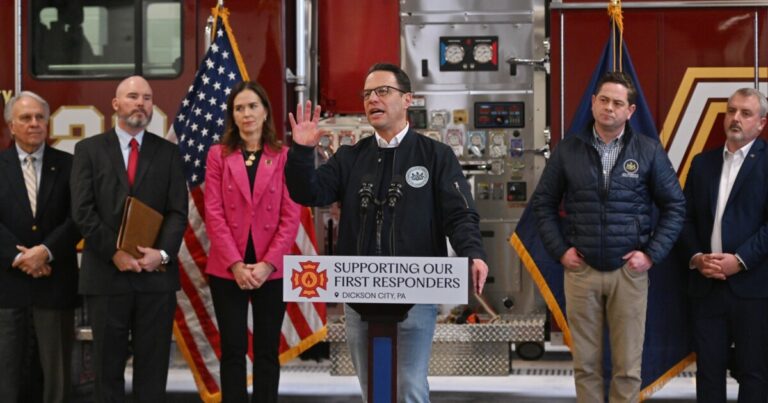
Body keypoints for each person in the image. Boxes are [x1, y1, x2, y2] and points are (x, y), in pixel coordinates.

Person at [286, 62, 489, 403]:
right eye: (367, 94)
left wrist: (474, 253)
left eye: (383, 91)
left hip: (416, 293)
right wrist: (303, 152)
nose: (372, 99)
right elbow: (309, 193)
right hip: (358, 293)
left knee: (408, 386)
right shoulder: (350, 157)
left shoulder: (435, 156)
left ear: (408, 99)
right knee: (375, 388)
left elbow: (460, 215)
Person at [531, 71, 685, 403]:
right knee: (585, 365)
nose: (609, 108)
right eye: (603, 100)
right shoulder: (568, 150)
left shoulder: (648, 150)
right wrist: (560, 251)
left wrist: (650, 254)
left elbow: (675, 206)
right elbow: (542, 204)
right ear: (592, 103)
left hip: (628, 274)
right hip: (581, 272)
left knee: (628, 367)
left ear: (630, 111)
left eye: (617, 103)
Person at [70, 76, 188, 402]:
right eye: (133, 96)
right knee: (107, 370)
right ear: (116, 104)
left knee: (153, 370)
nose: (141, 103)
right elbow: (82, 211)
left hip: (155, 279)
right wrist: (115, 253)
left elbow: (179, 212)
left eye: (147, 97)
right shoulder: (88, 150)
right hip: (107, 277)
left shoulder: (168, 153)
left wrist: (161, 254)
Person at [204, 81, 300, 402]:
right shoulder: (218, 155)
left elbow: (291, 216)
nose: (246, 114)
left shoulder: (284, 157)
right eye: (239, 108)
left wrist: (267, 264)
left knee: (266, 351)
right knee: (232, 349)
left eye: (252, 106)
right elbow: (213, 212)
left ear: (265, 112)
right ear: (232, 115)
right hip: (227, 268)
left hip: (270, 270)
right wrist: (235, 264)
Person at [678, 87, 768, 402]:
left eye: (746, 113)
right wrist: (697, 257)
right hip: (707, 287)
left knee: (755, 372)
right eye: (731, 111)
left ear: (761, 123)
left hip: (753, 288)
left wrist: (740, 260)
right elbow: (684, 219)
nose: (736, 118)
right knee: (708, 373)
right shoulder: (702, 163)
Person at [0, 91, 80, 403]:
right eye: (25, 118)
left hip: (55, 284)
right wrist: (21, 256)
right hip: (7, 288)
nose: (34, 124)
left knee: (56, 381)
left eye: (39, 117)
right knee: (6, 377)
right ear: (10, 125)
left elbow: (79, 217)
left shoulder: (70, 165)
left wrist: (44, 252)